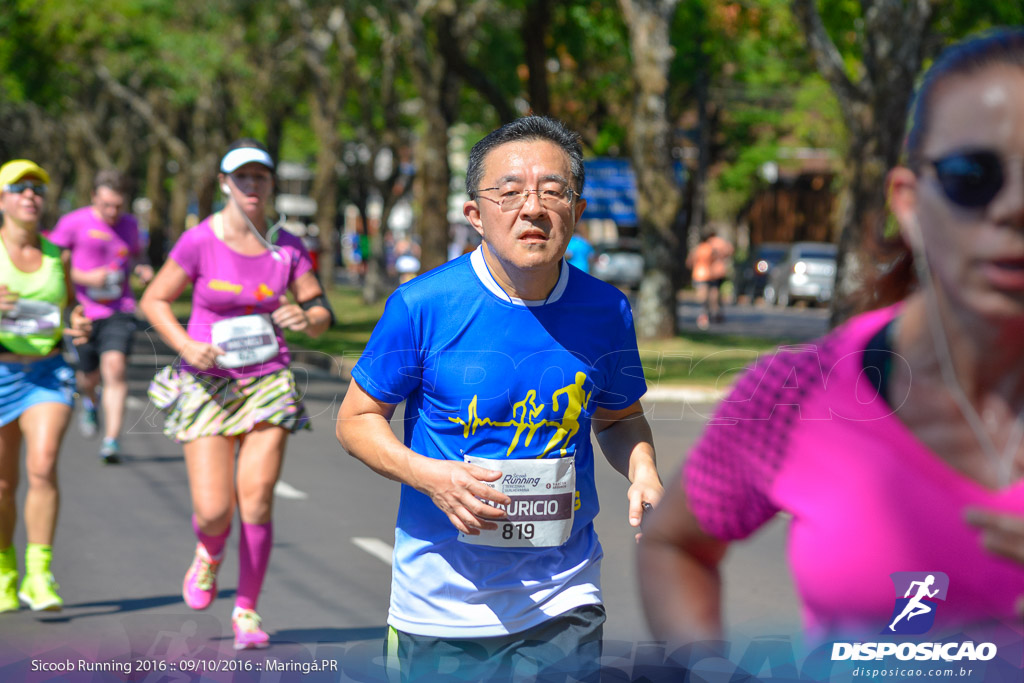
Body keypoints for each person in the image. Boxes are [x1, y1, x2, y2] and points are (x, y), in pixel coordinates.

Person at [639, 29, 1024, 647]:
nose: (1014, 208)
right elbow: (673, 545)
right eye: (974, 175)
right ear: (909, 202)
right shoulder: (800, 390)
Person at [336, 116, 662, 682]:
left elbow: (619, 418)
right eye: (509, 192)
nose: (532, 208)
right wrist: (431, 476)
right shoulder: (423, 306)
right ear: (475, 215)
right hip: (440, 603)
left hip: (564, 594)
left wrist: (643, 469)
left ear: (577, 213)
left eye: (554, 191)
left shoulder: (607, 311)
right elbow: (356, 420)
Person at [139, 140, 333, 650]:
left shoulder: (286, 245)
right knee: (213, 510)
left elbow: (319, 312)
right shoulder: (199, 241)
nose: (251, 186)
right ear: (225, 183)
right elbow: (154, 299)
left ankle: (247, 609)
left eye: (260, 177)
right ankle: (209, 553)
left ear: (269, 185)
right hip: (206, 383)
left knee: (258, 499)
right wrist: (184, 343)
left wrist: (306, 317)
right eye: (241, 177)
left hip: (268, 381)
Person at [0, 159, 91, 613]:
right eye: (19, 187)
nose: (30, 195)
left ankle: (39, 574)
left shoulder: (59, 255)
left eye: (37, 187)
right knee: (2, 484)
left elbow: (71, 307)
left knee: (42, 465)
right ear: (2, 199)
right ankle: (5, 570)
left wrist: (78, 323)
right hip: (0, 373)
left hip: (48, 372)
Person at [48, 169, 153, 463]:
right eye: (106, 205)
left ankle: (111, 441)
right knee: (87, 376)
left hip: (119, 310)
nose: (112, 212)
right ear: (94, 196)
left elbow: (137, 256)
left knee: (115, 367)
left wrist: (142, 269)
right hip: (82, 312)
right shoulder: (73, 223)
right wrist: (84, 277)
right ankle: (90, 401)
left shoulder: (130, 225)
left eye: (118, 206)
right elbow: (51, 263)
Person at [686, 229, 733, 329]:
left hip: (699, 274)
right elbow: (728, 251)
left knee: (703, 295)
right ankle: (714, 312)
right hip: (711, 273)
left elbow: (690, 260)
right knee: (713, 293)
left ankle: (704, 314)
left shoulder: (699, 248)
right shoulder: (716, 244)